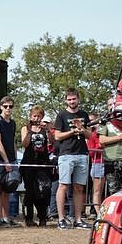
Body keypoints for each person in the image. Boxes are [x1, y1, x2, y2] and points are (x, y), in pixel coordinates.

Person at [53, 88, 91, 229]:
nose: (72, 101)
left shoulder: (84, 114)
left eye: (74, 99)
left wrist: (82, 129)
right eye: (69, 99)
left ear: (78, 99)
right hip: (66, 154)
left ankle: (78, 219)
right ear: (66, 100)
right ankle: (61, 219)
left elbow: (90, 135)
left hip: (82, 154)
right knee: (63, 185)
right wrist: (72, 131)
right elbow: (57, 136)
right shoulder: (61, 115)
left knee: (79, 187)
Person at [19, 105, 54, 226]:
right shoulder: (25, 128)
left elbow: (52, 141)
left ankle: (42, 217)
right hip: (28, 163)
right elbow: (24, 144)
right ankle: (29, 218)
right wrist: (29, 131)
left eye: (39, 116)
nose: (36, 118)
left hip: (43, 163)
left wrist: (48, 130)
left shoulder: (45, 129)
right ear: (30, 116)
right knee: (30, 191)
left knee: (44, 190)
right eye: (34, 116)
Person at [0, 96, 18, 227]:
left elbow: (13, 141)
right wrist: (6, 161)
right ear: (1, 107)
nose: (8, 109)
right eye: (5, 106)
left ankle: (6, 217)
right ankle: (0, 218)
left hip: (12, 159)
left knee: (8, 189)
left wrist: (14, 159)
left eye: (10, 106)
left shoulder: (12, 123)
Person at [99, 116, 122, 196]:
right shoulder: (106, 121)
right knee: (113, 190)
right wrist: (119, 137)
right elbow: (102, 140)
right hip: (110, 160)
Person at [86, 111, 104, 217]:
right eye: (90, 121)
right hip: (97, 163)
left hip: (105, 162)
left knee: (104, 191)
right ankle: (99, 213)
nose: (92, 123)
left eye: (93, 120)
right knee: (97, 191)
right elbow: (91, 151)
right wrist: (101, 145)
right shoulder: (91, 135)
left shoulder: (102, 131)